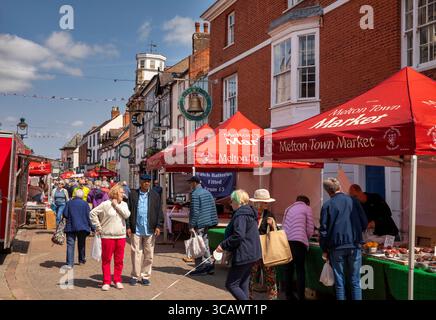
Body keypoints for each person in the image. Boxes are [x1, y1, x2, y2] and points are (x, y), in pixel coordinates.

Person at [320, 178, 368, 300]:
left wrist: (324, 249)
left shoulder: (327, 205)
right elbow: (364, 222)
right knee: (355, 281)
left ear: (327, 191)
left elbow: (323, 231)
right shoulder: (353, 201)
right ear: (339, 187)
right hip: (354, 245)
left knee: (340, 282)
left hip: (336, 248)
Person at [216, 190, 261, 300]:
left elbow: (238, 235)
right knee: (242, 283)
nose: (230, 204)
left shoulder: (241, 214)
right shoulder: (249, 212)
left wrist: (223, 245)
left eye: (232, 201)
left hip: (244, 254)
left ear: (237, 201)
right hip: (252, 253)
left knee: (231, 284)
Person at [90, 185, 131, 291]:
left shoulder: (124, 204)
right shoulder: (105, 204)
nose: (123, 194)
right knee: (106, 260)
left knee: (119, 260)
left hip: (121, 236)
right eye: (121, 192)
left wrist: (116, 205)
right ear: (116, 193)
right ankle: (106, 281)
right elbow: (92, 213)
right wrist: (98, 226)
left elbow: (127, 215)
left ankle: (117, 280)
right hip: (107, 236)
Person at [126, 174, 164, 286]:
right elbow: (128, 212)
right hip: (136, 229)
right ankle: (134, 275)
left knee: (149, 254)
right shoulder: (133, 194)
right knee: (136, 253)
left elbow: (159, 212)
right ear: (140, 182)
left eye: (148, 181)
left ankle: (145, 276)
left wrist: (158, 225)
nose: (147, 183)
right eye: (144, 181)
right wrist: (128, 226)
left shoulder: (155, 195)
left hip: (150, 229)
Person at [282, 195, 314, 300]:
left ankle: (288, 295)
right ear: (307, 203)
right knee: (300, 270)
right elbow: (310, 229)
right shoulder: (307, 208)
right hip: (299, 243)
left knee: (288, 269)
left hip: (287, 242)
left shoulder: (288, 208)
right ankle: (301, 296)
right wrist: (307, 238)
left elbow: (283, 225)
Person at [248, 189, 278, 300]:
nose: (266, 204)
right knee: (249, 277)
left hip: (267, 252)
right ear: (257, 202)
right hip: (253, 250)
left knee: (271, 278)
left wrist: (273, 225)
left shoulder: (269, 215)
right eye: (264, 202)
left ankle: (272, 298)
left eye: (267, 202)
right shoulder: (250, 214)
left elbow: (275, 234)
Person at [187, 176, 218, 276]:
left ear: (194, 183)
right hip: (207, 222)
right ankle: (209, 266)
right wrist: (212, 221)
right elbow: (213, 207)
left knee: (197, 246)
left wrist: (191, 225)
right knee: (204, 244)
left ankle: (200, 268)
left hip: (199, 223)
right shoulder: (207, 192)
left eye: (190, 183)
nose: (190, 185)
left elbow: (195, 211)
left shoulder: (195, 194)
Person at [63, 189, 93, 267]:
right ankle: (81, 260)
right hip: (82, 227)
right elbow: (88, 216)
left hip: (71, 226)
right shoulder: (85, 204)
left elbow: (65, 214)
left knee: (70, 245)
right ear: (82, 196)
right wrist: (92, 227)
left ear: (75, 195)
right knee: (82, 244)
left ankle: (70, 263)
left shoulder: (69, 203)